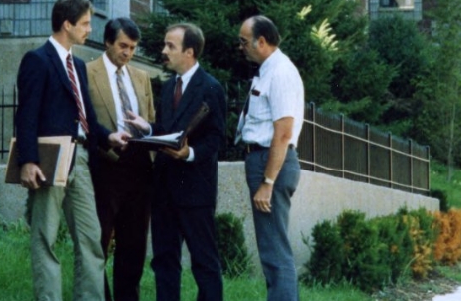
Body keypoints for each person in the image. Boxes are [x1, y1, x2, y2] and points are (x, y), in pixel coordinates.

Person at [15, 0, 130, 301]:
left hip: (80, 159)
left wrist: (109, 138)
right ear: (67, 25)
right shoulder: (37, 60)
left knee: (92, 239)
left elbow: (87, 118)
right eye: (84, 24)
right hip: (49, 159)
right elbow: (26, 115)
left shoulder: (77, 65)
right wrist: (27, 161)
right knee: (46, 237)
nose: (89, 30)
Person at [129, 22, 226, 301]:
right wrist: (147, 129)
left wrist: (189, 154)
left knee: (204, 263)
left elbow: (216, 138)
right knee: (164, 261)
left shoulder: (211, 87)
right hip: (164, 190)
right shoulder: (169, 85)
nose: (164, 51)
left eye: (170, 46)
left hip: (195, 191)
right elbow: (166, 130)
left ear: (190, 52)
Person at [85, 17, 155, 301]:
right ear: (107, 42)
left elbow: (151, 120)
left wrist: (147, 129)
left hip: (138, 167)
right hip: (105, 166)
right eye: (123, 46)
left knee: (134, 243)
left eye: (133, 48)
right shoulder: (87, 73)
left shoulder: (141, 77)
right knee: (98, 240)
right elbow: (85, 121)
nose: (128, 53)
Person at [236, 15, 305, 301]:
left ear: (261, 42)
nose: (240, 47)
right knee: (271, 248)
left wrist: (267, 181)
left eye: (243, 41)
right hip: (263, 160)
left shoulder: (281, 73)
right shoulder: (267, 70)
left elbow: (283, 133)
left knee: (275, 250)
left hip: (270, 163)